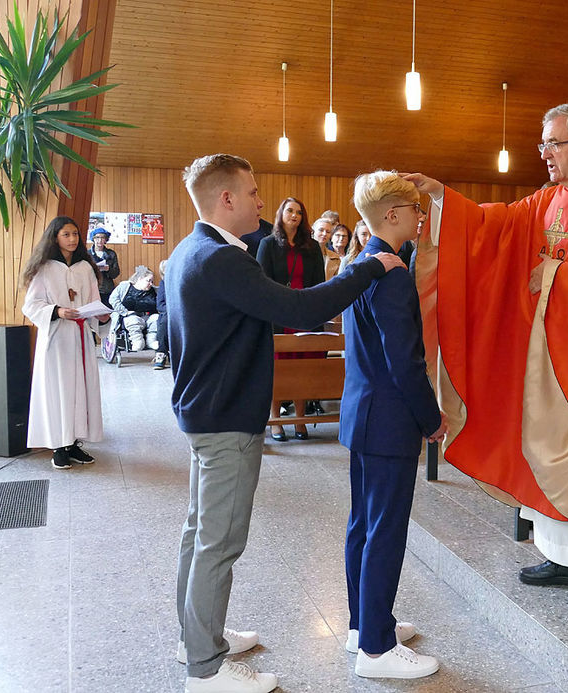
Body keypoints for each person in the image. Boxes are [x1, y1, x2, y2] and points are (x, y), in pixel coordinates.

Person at [404, 103, 568, 613]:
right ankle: (561, 556)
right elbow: (493, 226)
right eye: (542, 144)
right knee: (543, 448)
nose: (544, 153)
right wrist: (440, 196)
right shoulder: (550, 197)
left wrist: (558, 277)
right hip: (546, 352)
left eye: (553, 143)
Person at [167, 153, 403, 693]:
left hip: (203, 413)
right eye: (251, 192)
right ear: (225, 199)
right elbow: (298, 311)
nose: (261, 201)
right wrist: (367, 268)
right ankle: (205, 670)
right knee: (218, 542)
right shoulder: (222, 259)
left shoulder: (191, 250)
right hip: (225, 419)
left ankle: (195, 636)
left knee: (198, 534)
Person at [341, 170, 446, 679]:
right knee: (385, 529)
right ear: (392, 216)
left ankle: (364, 623)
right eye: (415, 211)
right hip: (389, 422)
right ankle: (377, 652)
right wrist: (431, 419)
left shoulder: (361, 264)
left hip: (362, 415)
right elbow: (405, 361)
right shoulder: (393, 273)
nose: (421, 219)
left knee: (362, 523)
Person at [22, 216, 105, 469]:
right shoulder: (45, 268)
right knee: (59, 391)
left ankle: (73, 444)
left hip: (80, 338)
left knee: (81, 390)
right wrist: (58, 311)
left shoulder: (85, 268)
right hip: (57, 339)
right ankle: (59, 446)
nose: (72, 239)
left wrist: (100, 313)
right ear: (55, 237)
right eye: (66, 234)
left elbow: (93, 299)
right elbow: (31, 304)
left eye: (76, 234)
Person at [256, 197, 326, 438]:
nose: (294, 215)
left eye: (298, 212)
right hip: (279, 315)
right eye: (289, 210)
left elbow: (319, 283)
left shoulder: (312, 246)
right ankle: (276, 419)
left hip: (305, 314)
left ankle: (300, 419)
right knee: (279, 368)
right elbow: (261, 283)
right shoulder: (268, 244)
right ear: (281, 214)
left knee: (302, 367)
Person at [109, 265, 159, 352]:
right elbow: (113, 299)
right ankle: (137, 341)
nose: (151, 284)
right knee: (134, 320)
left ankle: (151, 340)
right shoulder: (125, 286)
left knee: (157, 318)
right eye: (148, 281)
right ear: (139, 279)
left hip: (149, 317)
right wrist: (124, 312)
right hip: (129, 316)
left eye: (152, 281)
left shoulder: (155, 290)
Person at [87, 226, 119, 306]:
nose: (100, 240)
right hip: (91, 289)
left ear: (106, 240)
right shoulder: (87, 254)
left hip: (107, 289)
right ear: (93, 239)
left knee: (107, 313)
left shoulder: (111, 254)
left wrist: (108, 269)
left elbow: (116, 273)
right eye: (97, 237)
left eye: (102, 238)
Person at [313, 216, 342, 280]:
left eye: (328, 232)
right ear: (313, 232)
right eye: (321, 230)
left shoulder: (335, 258)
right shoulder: (303, 253)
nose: (324, 234)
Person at [153, 260, 170, 370]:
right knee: (164, 321)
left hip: (184, 311)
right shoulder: (163, 283)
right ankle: (161, 354)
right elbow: (160, 305)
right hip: (168, 312)